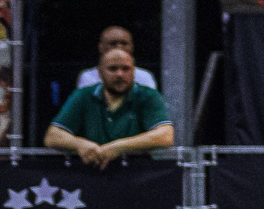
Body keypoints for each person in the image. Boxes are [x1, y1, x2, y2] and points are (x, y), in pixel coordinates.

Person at [45, 46, 175, 167]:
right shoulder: (83, 95)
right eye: (113, 69)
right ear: (100, 72)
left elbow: (165, 136)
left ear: (133, 71)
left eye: (126, 69)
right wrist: (80, 144)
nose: (120, 74)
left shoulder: (148, 96)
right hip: (91, 171)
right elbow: (53, 136)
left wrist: (118, 147)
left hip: (138, 173)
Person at [76, 26, 159, 92]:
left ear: (132, 47)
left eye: (124, 43)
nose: (119, 47)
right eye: (113, 43)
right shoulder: (88, 77)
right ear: (101, 47)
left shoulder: (144, 77)